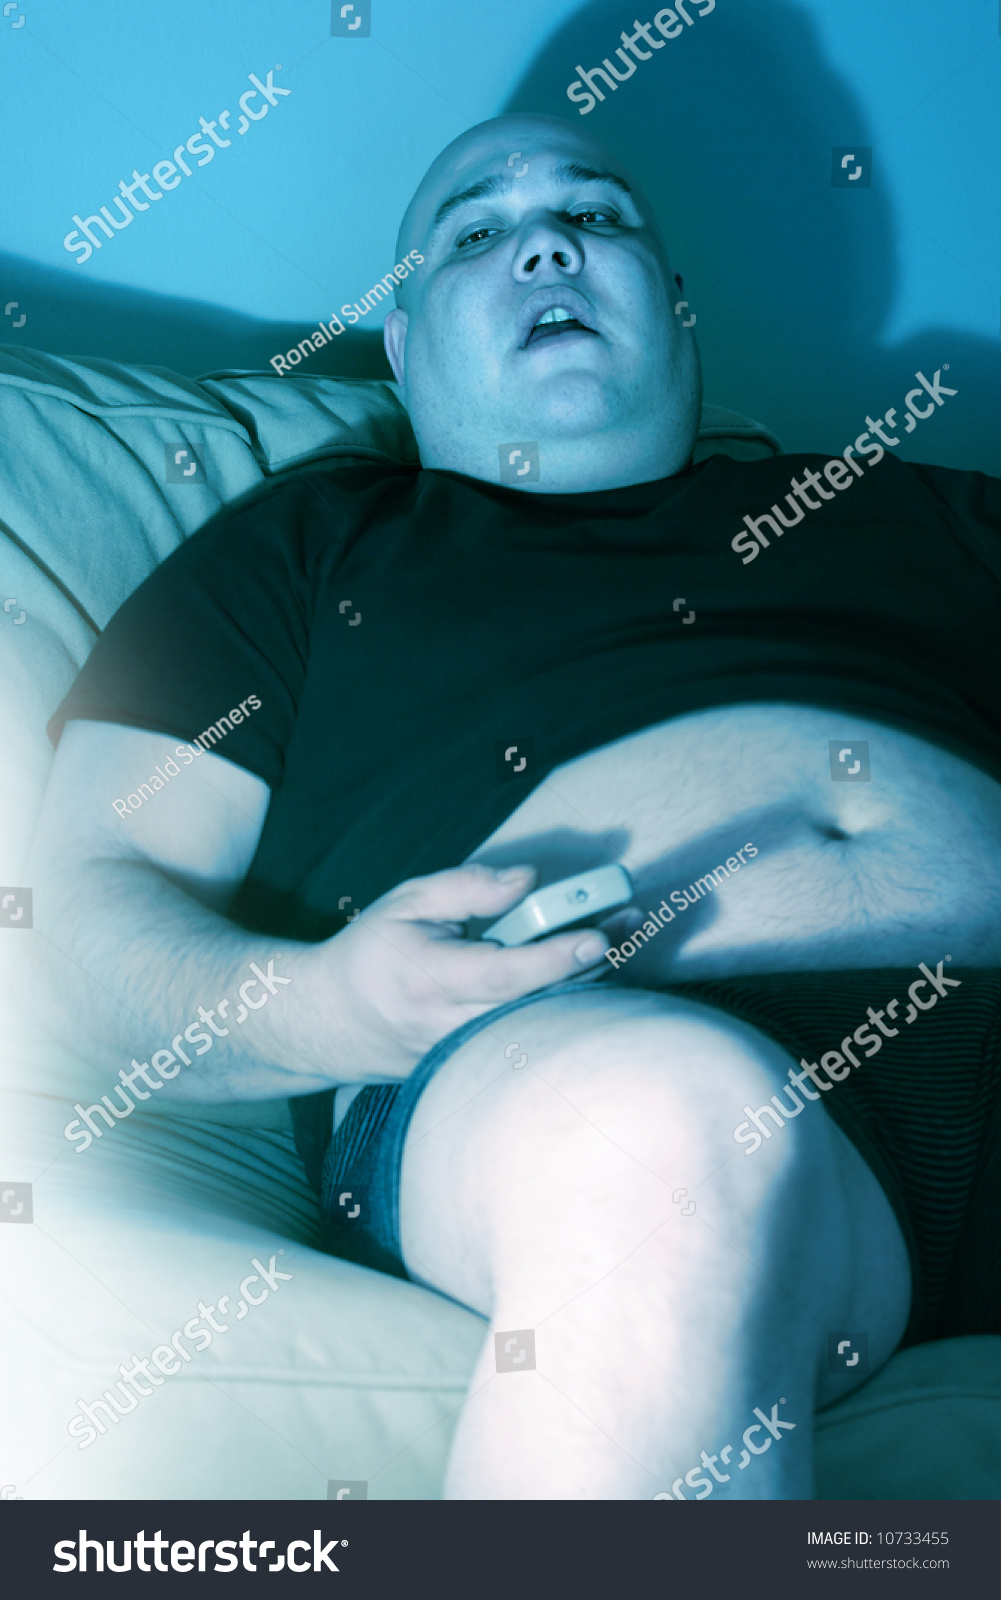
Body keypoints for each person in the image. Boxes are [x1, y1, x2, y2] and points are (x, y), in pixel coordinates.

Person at [28, 112, 1001, 1500]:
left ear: (673, 310)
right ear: (410, 348)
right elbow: (84, 905)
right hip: (569, 1062)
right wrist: (333, 1007)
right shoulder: (306, 551)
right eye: (475, 233)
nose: (548, 239)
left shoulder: (928, 517)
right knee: (653, 1142)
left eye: (599, 216)